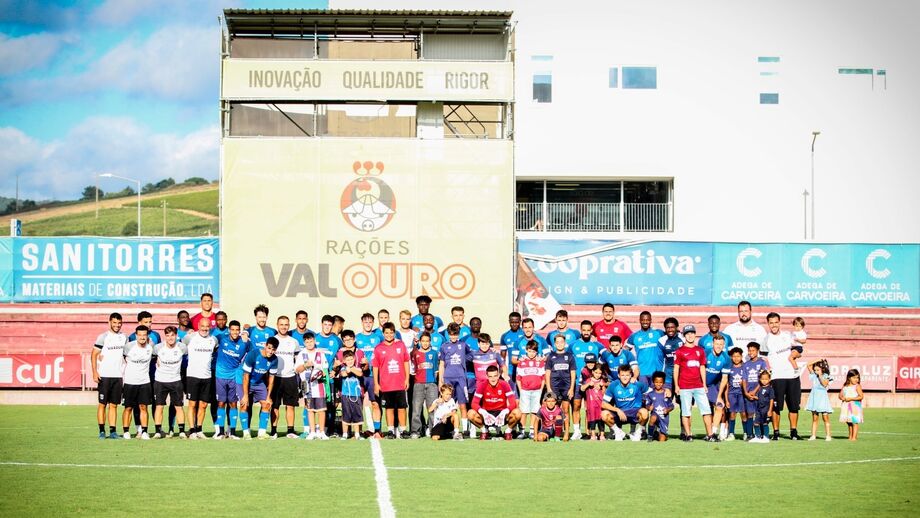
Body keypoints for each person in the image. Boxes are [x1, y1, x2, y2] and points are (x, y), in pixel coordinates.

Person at [762, 312, 801, 441]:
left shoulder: (788, 335)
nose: (774, 325)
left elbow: (799, 349)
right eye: (771, 323)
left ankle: (793, 432)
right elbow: (763, 358)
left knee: (794, 406)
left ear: (779, 322)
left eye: (776, 322)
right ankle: (776, 432)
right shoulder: (766, 339)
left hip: (792, 376)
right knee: (776, 406)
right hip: (776, 377)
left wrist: (794, 354)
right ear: (768, 324)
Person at [674, 325, 716, 442]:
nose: (690, 335)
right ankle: (688, 435)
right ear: (684, 335)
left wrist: (704, 383)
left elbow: (702, 367)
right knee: (686, 411)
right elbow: (676, 369)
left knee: (706, 410)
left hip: (698, 385)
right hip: (685, 386)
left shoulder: (700, 350)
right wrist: (676, 385)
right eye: (687, 333)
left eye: (692, 333)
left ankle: (710, 435)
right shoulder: (680, 351)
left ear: (695, 334)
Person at [92, 312, 128, 439]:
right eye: (114, 323)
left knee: (114, 405)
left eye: (119, 323)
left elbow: (126, 355)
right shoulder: (103, 337)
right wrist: (95, 372)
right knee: (102, 404)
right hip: (104, 376)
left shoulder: (124, 337)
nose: (117, 325)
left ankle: (113, 431)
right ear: (109, 323)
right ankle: (102, 431)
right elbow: (94, 354)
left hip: (118, 376)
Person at [182, 318, 218, 439]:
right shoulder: (190, 337)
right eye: (202, 326)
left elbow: (215, 350)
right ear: (198, 326)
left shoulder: (213, 340)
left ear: (210, 327)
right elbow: (179, 346)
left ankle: (199, 429)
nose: (204, 328)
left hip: (207, 376)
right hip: (192, 376)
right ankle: (192, 431)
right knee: (192, 404)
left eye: (207, 326)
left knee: (203, 405)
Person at [373, 322, 410, 439]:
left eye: (391, 332)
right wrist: (376, 384)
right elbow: (375, 367)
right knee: (389, 408)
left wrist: (407, 379)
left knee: (401, 408)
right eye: (386, 333)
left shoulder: (401, 345)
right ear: (383, 333)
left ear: (394, 333)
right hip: (386, 384)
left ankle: (403, 430)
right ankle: (390, 431)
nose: (389, 335)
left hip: (399, 383)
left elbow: (406, 362)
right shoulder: (378, 348)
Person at [213, 320, 249, 439]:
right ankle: (220, 432)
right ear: (229, 330)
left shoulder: (244, 343)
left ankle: (232, 432)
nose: (234, 332)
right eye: (232, 329)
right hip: (220, 376)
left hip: (234, 376)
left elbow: (253, 353)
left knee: (233, 403)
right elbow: (208, 337)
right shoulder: (221, 338)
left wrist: (247, 333)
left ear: (239, 331)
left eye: (237, 330)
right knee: (221, 403)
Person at [128, 311, 161, 436]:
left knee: (154, 401)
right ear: (139, 323)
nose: (149, 324)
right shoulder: (132, 337)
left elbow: (159, 352)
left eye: (150, 322)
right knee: (138, 403)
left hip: (153, 374)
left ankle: (157, 428)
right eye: (146, 322)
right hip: (138, 376)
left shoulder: (156, 335)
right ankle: (139, 428)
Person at [468, 365, 521, 440]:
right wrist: (483, 412)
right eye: (490, 376)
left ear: (499, 375)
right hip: (487, 414)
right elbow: (474, 403)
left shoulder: (504, 384)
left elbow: (513, 403)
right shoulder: (482, 385)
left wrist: (504, 412)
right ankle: (484, 430)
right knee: (470, 413)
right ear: (487, 376)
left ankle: (508, 431)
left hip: (502, 414)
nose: (493, 379)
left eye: (495, 376)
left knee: (518, 412)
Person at [152, 326, 187, 439]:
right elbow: (152, 359)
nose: (170, 338)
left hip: (176, 381)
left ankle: (181, 431)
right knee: (159, 406)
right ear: (165, 336)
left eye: (172, 335)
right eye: (167, 335)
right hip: (160, 381)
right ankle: (158, 431)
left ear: (176, 336)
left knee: (179, 406)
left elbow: (186, 360)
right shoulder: (158, 348)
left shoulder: (182, 347)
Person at [270, 316, 302, 439]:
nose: (283, 327)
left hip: (290, 377)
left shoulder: (294, 341)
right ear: (277, 325)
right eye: (281, 324)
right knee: (275, 406)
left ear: (289, 326)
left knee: (290, 405)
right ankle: (273, 430)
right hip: (276, 377)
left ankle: (290, 430)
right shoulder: (273, 340)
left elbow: (297, 359)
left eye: (286, 324)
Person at [241, 336, 278, 439]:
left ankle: (261, 433)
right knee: (244, 404)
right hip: (245, 381)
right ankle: (246, 433)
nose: (271, 351)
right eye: (269, 348)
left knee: (267, 404)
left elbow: (271, 379)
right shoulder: (253, 354)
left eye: (273, 349)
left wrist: (268, 396)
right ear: (265, 346)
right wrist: (245, 395)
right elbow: (245, 376)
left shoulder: (274, 360)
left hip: (259, 382)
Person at [121, 325, 154, 439]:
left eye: (144, 335)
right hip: (130, 382)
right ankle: (126, 431)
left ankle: (144, 431)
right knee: (128, 407)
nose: (142, 337)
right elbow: (122, 358)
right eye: (140, 335)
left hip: (144, 382)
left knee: (143, 407)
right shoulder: (128, 347)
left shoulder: (151, 347)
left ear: (147, 336)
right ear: (136, 336)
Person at [569, 320, 601, 440]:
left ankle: (589, 432)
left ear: (591, 330)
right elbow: (567, 360)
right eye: (584, 330)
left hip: (591, 384)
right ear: (581, 330)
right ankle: (577, 431)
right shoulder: (573, 345)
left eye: (588, 330)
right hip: (577, 382)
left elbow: (601, 362)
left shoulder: (595, 346)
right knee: (576, 406)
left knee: (589, 407)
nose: (586, 332)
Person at [601, 364, 650, 441]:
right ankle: (618, 432)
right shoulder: (613, 385)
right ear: (618, 375)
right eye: (622, 375)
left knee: (644, 412)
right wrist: (617, 410)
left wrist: (665, 390)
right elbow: (604, 404)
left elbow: (652, 391)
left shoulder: (637, 384)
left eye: (627, 375)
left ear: (631, 375)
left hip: (635, 413)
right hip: (621, 414)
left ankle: (638, 432)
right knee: (604, 414)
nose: (625, 377)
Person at [439, 323, 471, 434]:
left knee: (462, 404)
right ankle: (449, 428)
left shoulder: (463, 345)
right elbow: (442, 363)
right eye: (451, 334)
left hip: (461, 378)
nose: (453, 337)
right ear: (448, 334)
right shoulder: (444, 346)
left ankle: (465, 429)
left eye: (455, 334)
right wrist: (440, 380)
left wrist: (464, 362)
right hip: (448, 378)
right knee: (448, 404)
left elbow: (470, 355)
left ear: (459, 333)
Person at [298, 332, 330, 440]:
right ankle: (312, 432)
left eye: (311, 341)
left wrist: (322, 374)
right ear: (304, 343)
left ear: (314, 341)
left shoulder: (320, 354)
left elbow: (325, 368)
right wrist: (305, 365)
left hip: (319, 385)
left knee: (321, 409)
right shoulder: (301, 354)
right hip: (307, 386)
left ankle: (321, 432)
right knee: (310, 409)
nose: (309, 343)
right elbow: (297, 369)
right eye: (307, 342)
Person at [315, 315, 343, 437]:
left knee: (331, 403)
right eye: (325, 324)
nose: (327, 327)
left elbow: (341, 358)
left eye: (329, 325)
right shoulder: (315, 338)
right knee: (315, 403)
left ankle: (330, 429)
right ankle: (314, 428)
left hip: (330, 378)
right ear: (322, 324)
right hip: (316, 378)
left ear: (333, 326)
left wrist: (336, 370)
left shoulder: (337, 340)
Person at [410, 332, 440, 438]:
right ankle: (416, 430)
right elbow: (413, 367)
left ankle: (433, 429)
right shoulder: (415, 353)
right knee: (416, 408)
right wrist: (414, 345)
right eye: (423, 341)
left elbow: (436, 370)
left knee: (432, 408)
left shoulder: (435, 353)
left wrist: (435, 383)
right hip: (418, 384)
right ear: (420, 342)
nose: (425, 343)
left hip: (432, 384)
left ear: (430, 342)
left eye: (427, 341)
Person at [544, 334, 576, 432]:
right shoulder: (550, 356)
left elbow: (573, 372)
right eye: (557, 342)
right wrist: (549, 388)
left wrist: (571, 388)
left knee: (566, 409)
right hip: (554, 387)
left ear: (565, 343)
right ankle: (554, 431)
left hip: (566, 386)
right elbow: (547, 373)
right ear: (554, 344)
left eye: (561, 342)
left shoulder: (569, 356)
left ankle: (566, 431)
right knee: (555, 410)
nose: (559, 344)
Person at [515, 340, 545, 439]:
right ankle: (522, 431)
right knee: (524, 411)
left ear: (537, 352)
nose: (531, 353)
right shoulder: (521, 362)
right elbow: (518, 378)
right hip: (524, 390)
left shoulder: (540, 363)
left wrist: (541, 390)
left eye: (534, 351)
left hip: (537, 390)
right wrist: (521, 389)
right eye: (530, 351)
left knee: (534, 411)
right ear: (526, 350)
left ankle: (532, 430)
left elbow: (543, 378)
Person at [626, 311, 665, 386]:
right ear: (640, 320)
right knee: (644, 395)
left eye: (647, 320)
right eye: (643, 320)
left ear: (651, 320)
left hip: (657, 372)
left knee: (656, 395)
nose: (645, 322)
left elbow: (670, 337)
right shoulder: (634, 336)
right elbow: (625, 351)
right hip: (642, 372)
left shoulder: (659, 333)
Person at [705, 333, 731, 440]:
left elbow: (724, 379)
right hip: (698, 384)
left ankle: (713, 433)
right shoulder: (705, 354)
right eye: (717, 344)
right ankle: (687, 433)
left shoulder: (726, 358)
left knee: (720, 406)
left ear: (724, 345)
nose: (719, 346)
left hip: (712, 386)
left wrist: (720, 396)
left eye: (721, 344)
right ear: (712, 344)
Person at [741, 342, 769, 441]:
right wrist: (746, 392)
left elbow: (764, 379)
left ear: (757, 351)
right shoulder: (746, 364)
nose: (751, 352)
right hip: (748, 393)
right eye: (749, 350)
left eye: (753, 350)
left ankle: (762, 434)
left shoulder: (762, 362)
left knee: (760, 413)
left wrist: (755, 391)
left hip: (759, 392)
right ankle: (750, 434)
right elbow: (744, 379)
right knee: (750, 413)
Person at [337, 349, 365, 440]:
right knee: (346, 414)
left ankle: (357, 434)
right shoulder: (343, 368)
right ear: (344, 361)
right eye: (347, 360)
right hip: (346, 395)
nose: (349, 361)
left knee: (357, 414)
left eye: (351, 359)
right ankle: (345, 434)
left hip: (356, 395)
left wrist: (352, 369)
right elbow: (344, 374)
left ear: (354, 359)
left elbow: (360, 373)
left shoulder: (357, 368)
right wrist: (348, 370)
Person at [805, 359, 833, 441]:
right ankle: (813, 435)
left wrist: (820, 375)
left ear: (822, 369)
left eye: (818, 370)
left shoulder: (827, 376)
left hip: (823, 400)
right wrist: (817, 360)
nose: (816, 371)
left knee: (825, 418)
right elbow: (808, 365)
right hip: (814, 399)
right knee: (815, 418)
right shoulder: (813, 375)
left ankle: (828, 436)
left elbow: (824, 384)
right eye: (815, 370)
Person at [644, 371, 674, 442]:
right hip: (655, 415)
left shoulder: (666, 394)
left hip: (664, 419)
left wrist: (667, 410)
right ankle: (650, 436)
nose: (658, 384)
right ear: (653, 382)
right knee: (653, 417)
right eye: (656, 382)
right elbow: (647, 406)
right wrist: (649, 408)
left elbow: (672, 406)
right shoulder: (650, 394)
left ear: (663, 383)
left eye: (660, 382)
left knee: (662, 440)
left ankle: (658, 432)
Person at [724, 347, 745, 441]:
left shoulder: (745, 367)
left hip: (742, 394)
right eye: (734, 356)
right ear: (731, 357)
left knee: (743, 413)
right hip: (732, 394)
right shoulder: (729, 368)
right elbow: (727, 384)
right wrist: (726, 399)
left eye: (738, 356)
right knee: (732, 414)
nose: (736, 358)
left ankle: (746, 432)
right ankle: (731, 433)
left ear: (741, 356)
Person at [581, 365, 608, 440]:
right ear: (592, 372)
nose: (598, 375)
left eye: (599, 373)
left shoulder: (602, 381)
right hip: (591, 404)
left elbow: (605, 393)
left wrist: (603, 386)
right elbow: (582, 389)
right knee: (592, 418)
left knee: (600, 419)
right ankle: (593, 434)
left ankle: (602, 434)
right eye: (596, 373)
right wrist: (588, 385)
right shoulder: (589, 380)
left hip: (600, 404)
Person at [658, 317, 683, 391]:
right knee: (667, 398)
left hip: (681, 374)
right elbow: (660, 360)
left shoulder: (683, 338)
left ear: (677, 327)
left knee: (681, 399)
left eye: (672, 327)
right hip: (668, 375)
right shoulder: (662, 341)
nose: (670, 330)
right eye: (667, 328)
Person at [839, 369, 864, 441]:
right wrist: (842, 398)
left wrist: (851, 399)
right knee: (849, 421)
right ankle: (850, 436)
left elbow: (861, 396)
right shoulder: (845, 386)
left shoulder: (857, 386)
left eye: (857, 377)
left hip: (855, 406)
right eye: (854, 378)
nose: (856, 379)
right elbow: (840, 395)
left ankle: (854, 437)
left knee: (854, 421)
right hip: (846, 406)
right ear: (849, 378)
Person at [751, 370, 775, 443]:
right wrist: (755, 397)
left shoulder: (770, 389)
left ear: (769, 379)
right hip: (758, 409)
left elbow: (771, 399)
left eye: (766, 379)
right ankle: (757, 436)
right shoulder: (760, 388)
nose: (764, 381)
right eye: (762, 379)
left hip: (766, 409)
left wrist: (770, 410)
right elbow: (760, 398)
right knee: (756, 423)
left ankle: (766, 437)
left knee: (765, 423)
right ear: (760, 379)